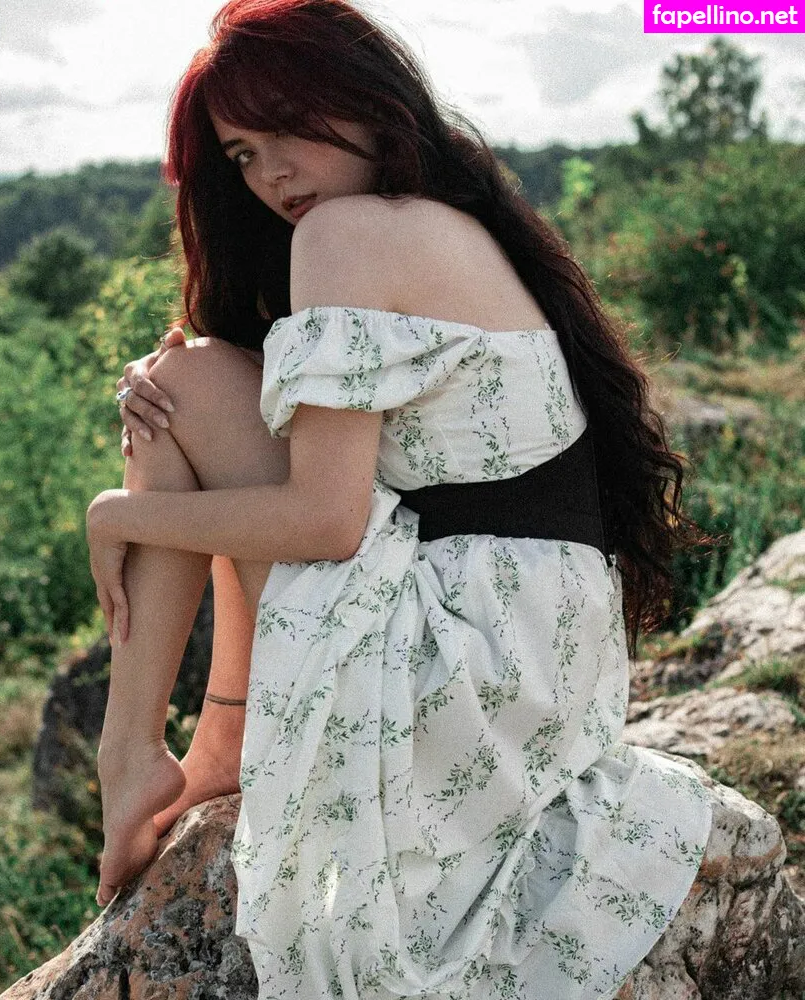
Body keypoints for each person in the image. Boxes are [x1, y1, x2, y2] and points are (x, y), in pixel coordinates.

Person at [87, 0, 713, 996]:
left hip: (468, 664)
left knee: (181, 390)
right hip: (536, 662)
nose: (272, 173)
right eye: (243, 154)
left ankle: (133, 754)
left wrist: (120, 514)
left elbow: (324, 523)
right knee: (184, 383)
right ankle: (213, 739)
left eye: (287, 127)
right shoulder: (442, 220)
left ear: (365, 97)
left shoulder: (349, 233)